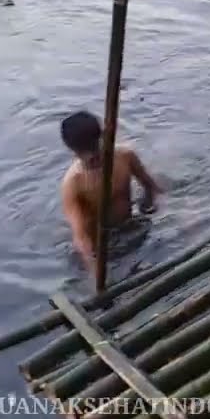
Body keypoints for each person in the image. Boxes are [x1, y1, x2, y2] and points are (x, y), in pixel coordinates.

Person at [59, 110, 162, 291]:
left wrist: (153, 205)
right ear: (73, 152)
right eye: (88, 156)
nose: (95, 158)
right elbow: (81, 238)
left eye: (97, 149)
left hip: (130, 226)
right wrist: (97, 274)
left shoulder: (125, 156)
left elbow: (151, 187)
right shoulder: (74, 184)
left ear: (103, 137)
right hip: (103, 246)